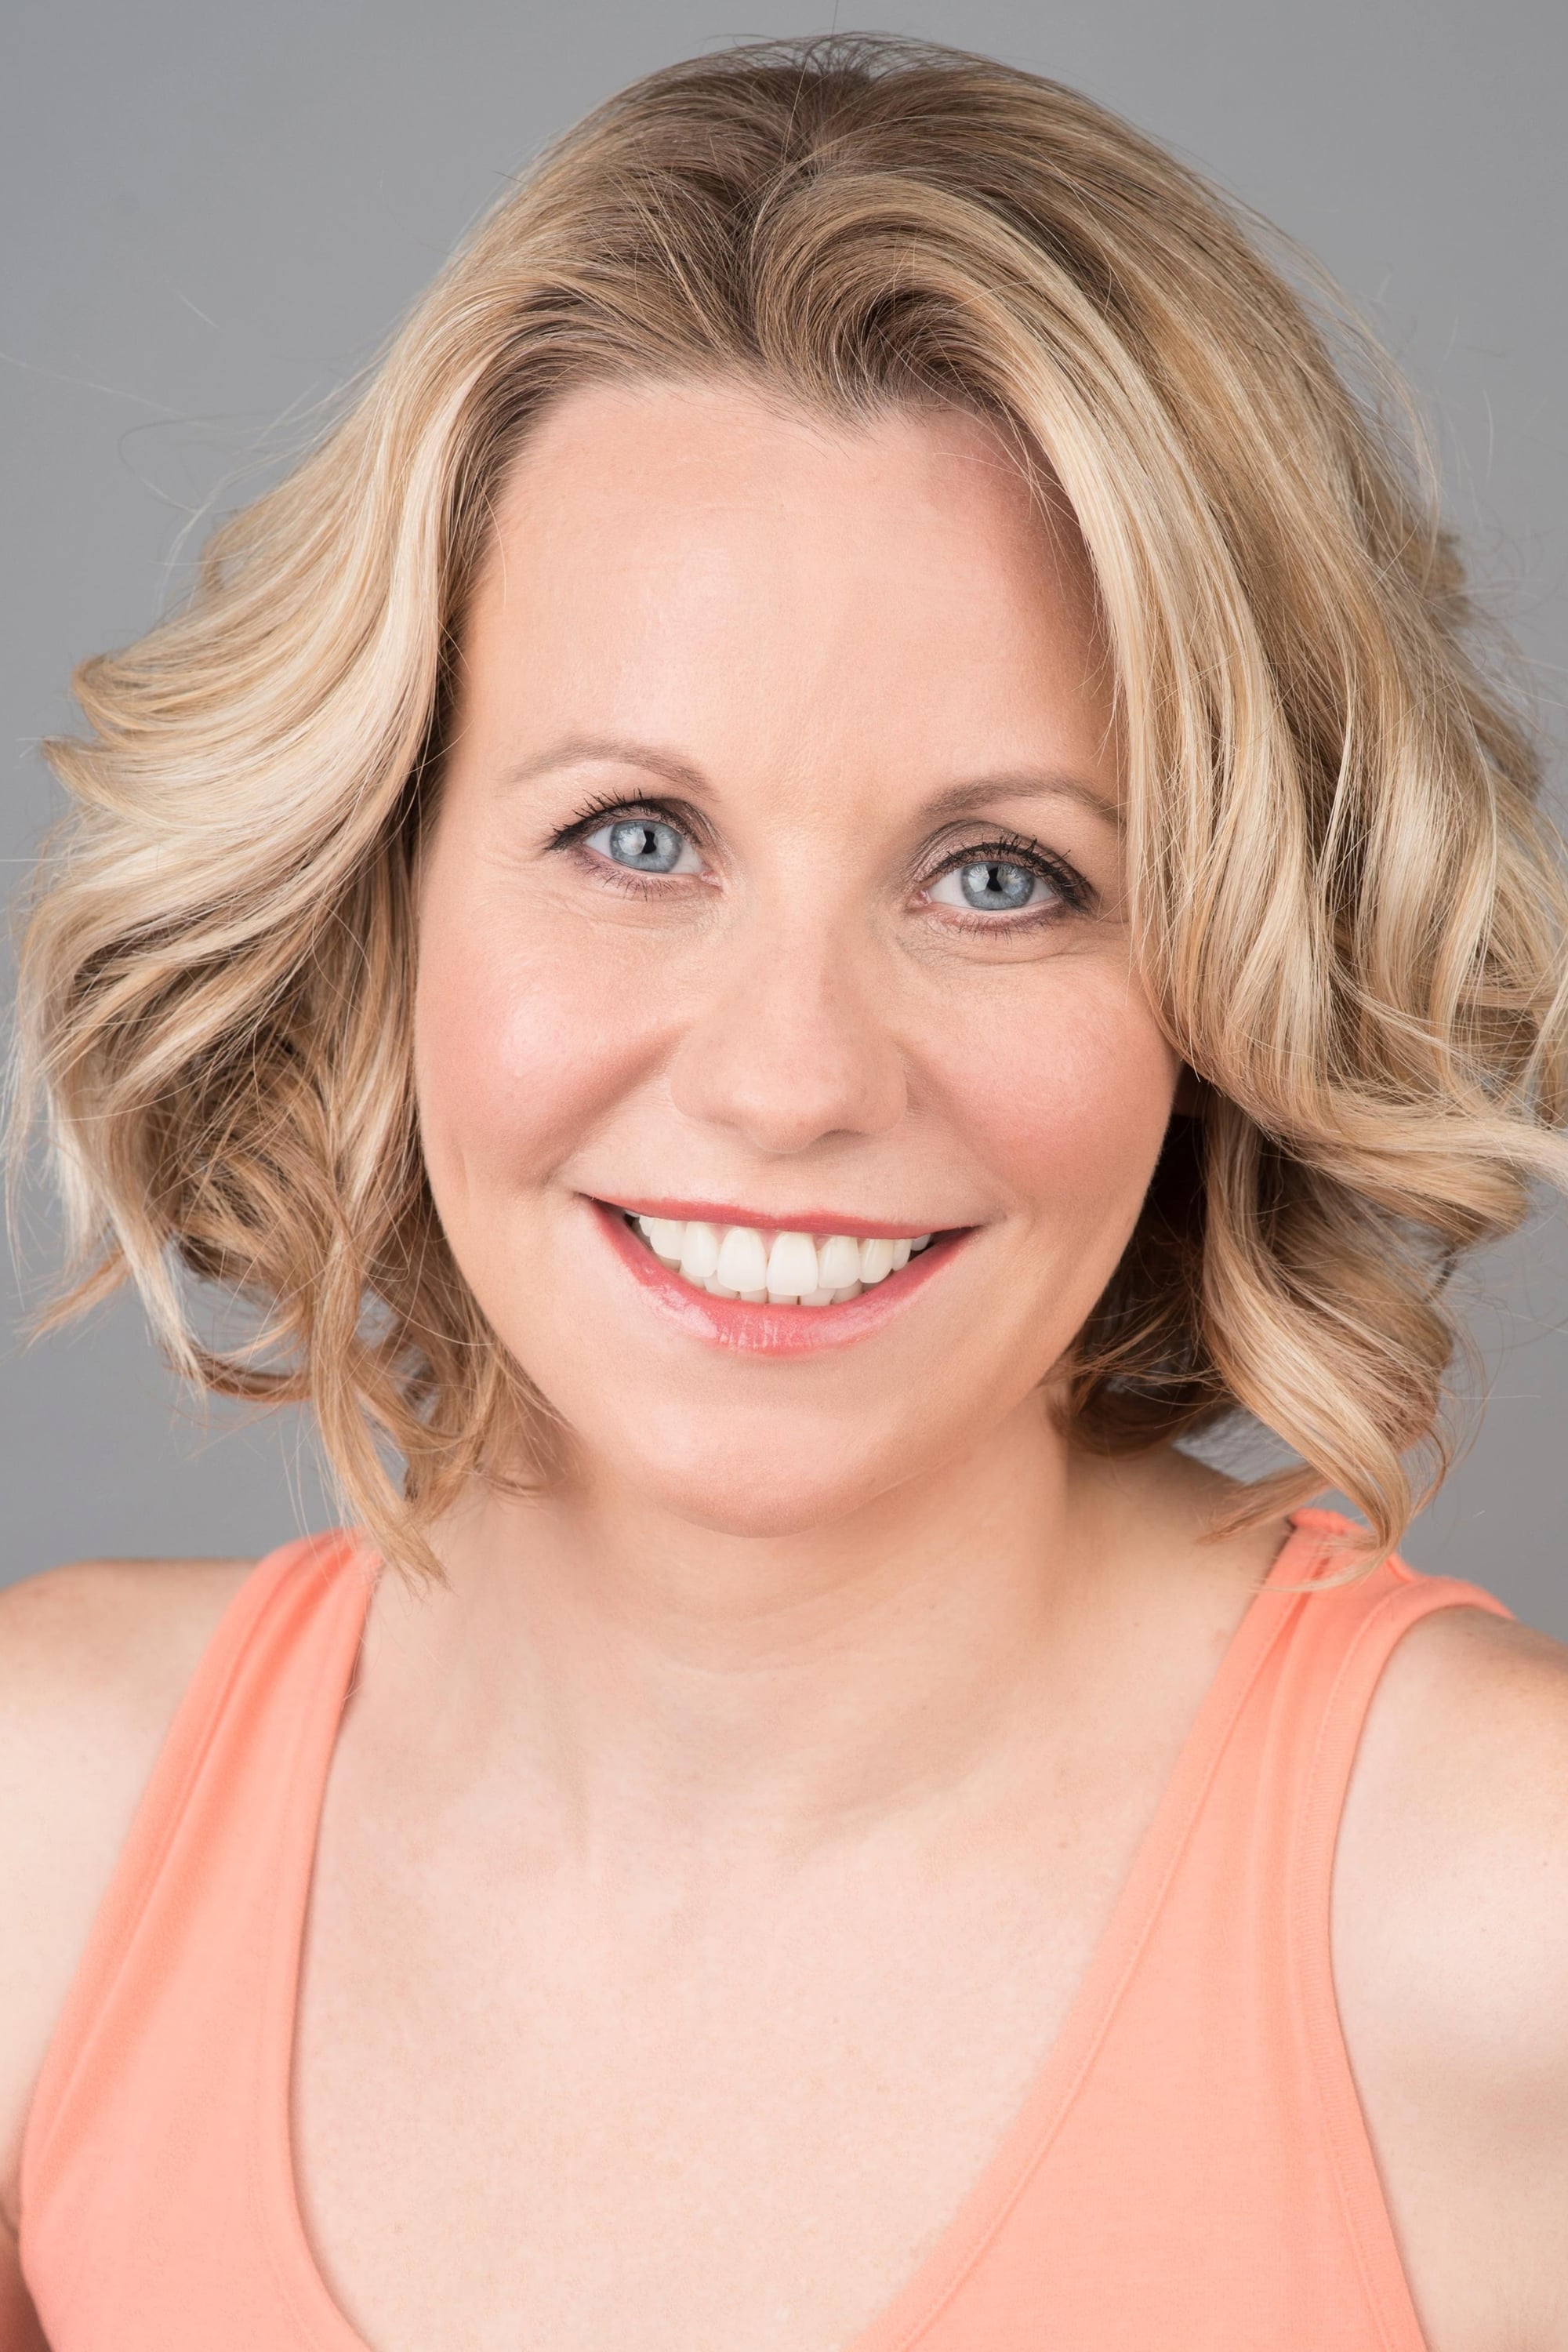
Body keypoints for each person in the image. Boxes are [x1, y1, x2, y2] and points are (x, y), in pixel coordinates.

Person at [2, 32, 1566, 2352]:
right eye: (636, 836)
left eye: (1006, 874)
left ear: (1234, 975)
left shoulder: (1505, 1937)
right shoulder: (46, 1847)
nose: (792, 1076)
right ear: (376, 888)